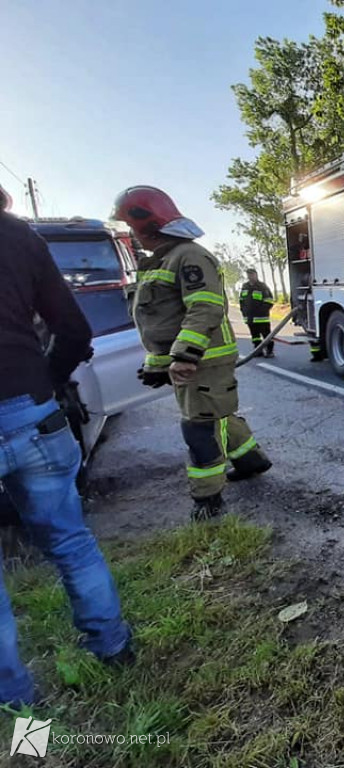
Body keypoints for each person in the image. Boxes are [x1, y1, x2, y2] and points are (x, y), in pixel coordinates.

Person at [0, 182, 132, 706]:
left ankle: (19, 708)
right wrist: (47, 381)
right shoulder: (19, 236)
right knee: (72, 543)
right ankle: (113, 648)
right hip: (33, 413)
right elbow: (75, 331)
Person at [112, 186, 272, 521]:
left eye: (133, 227)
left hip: (204, 362)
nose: (132, 235)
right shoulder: (160, 262)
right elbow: (161, 323)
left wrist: (184, 356)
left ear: (147, 226)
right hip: (192, 362)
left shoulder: (189, 257)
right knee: (216, 416)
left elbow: (203, 309)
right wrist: (157, 364)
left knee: (200, 430)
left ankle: (208, 501)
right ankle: (250, 460)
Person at [239, 268, 275, 358]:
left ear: (256, 275)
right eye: (248, 274)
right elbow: (241, 300)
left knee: (266, 335)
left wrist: (262, 311)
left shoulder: (262, 286)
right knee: (255, 336)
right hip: (250, 317)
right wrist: (243, 311)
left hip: (262, 318)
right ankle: (258, 351)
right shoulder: (245, 286)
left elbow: (269, 301)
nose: (250, 276)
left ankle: (269, 351)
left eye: (252, 274)